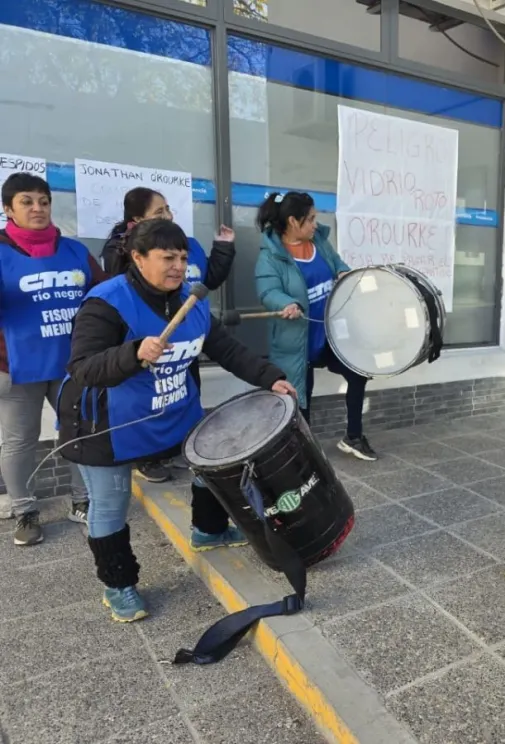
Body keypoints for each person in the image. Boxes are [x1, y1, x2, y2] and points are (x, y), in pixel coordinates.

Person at [57, 218, 294, 622]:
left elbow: (227, 350)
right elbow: (83, 368)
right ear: (137, 258)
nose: (178, 267)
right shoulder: (106, 303)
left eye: (183, 258)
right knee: (111, 504)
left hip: (173, 411)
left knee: (210, 465)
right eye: (167, 258)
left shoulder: (191, 300)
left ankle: (209, 530)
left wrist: (270, 377)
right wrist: (132, 353)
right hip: (107, 425)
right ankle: (118, 584)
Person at [101, 187, 236, 484]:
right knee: (149, 395)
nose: (169, 215)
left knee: (184, 393)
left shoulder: (188, 247)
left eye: (182, 258)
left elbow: (209, 280)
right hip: (148, 344)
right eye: (159, 211)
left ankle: (178, 446)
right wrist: (136, 349)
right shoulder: (119, 259)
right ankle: (147, 457)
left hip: (185, 335)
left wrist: (223, 248)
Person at [0, 172, 106, 545]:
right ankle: (24, 511)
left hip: (71, 364)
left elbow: (103, 298)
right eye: (27, 202)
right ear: (8, 209)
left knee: (79, 432)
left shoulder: (75, 251)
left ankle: (82, 501)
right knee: (19, 441)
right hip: (14, 367)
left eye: (43, 201)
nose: (38, 208)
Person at [254, 191, 376, 461]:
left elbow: (337, 262)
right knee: (301, 398)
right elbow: (268, 291)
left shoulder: (318, 241)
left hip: (328, 335)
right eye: (309, 219)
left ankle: (353, 437)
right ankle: (305, 452)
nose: (314, 224)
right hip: (297, 341)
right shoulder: (270, 256)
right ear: (292, 221)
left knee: (358, 373)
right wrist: (285, 302)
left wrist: (343, 272)